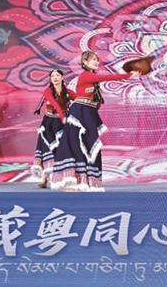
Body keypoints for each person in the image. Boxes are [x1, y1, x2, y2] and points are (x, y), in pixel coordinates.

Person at [50, 51, 140, 191]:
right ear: (85, 62)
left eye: (97, 59)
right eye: (93, 59)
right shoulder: (86, 75)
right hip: (80, 113)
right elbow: (107, 77)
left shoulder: (91, 77)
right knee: (78, 145)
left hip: (89, 113)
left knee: (90, 146)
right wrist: (128, 75)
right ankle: (73, 181)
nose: (96, 62)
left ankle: (86, 181)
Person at [32, 69, 74, 188]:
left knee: (61, 150)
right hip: (48, 123)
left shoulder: (68, 92)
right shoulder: (48, 91)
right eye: (52, 76)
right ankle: (44, 178)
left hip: (61, 124)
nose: (55, 78)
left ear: (62, 77)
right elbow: (55, 104)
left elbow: (79, 101)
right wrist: (62, 116)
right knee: (46, 149)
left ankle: (63, 178)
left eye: (57, 75)